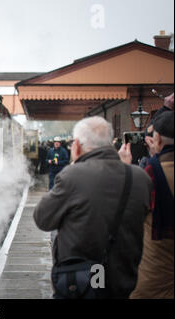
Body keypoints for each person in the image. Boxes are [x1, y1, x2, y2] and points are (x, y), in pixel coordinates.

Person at [34, 116, 152, 298]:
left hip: (79, 279)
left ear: (78, 146)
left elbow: (42, 219)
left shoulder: (72, 175)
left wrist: (73, 166)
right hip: (123, 277)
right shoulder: (140, 178)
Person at [130, 111, 174, 299]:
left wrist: (126, 169)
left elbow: (126, 219)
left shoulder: (148, 176)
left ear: (156, 138)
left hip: (155, 276)